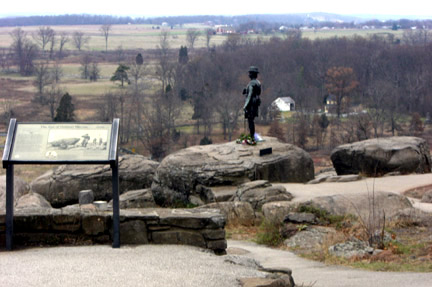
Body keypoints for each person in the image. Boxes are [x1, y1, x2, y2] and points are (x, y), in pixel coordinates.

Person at [243, 66, 261, 144]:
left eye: (250, 73)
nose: (248, 74)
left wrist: (245, 105)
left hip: (251, 104)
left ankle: (252, 137)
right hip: (255, 102)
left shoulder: (252, 83)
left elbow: (250, 95)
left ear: (252, 74)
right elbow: (255, 92)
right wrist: (245, 90)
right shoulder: (258, 82)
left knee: (250, 121)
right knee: (251, 120)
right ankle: (252, 136)